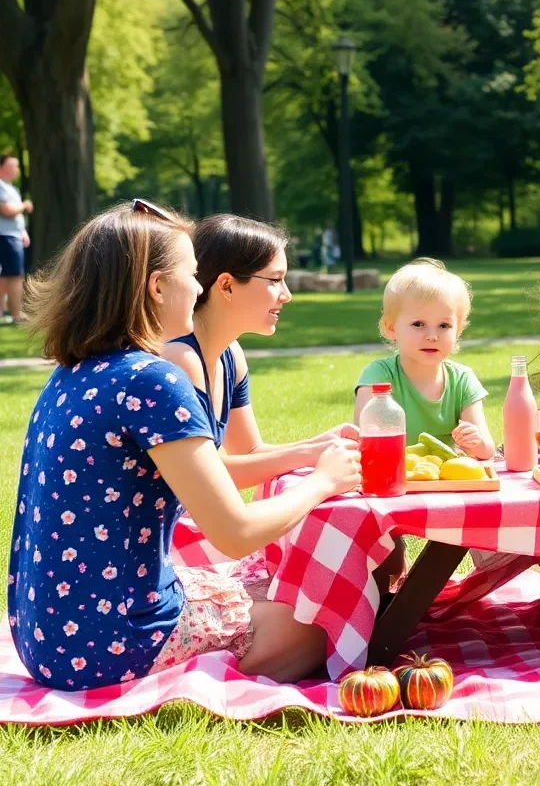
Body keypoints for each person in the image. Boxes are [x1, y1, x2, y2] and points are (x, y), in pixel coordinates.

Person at [7, 202, 361, 691]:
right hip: (108, 644)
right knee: (327, 622)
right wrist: (323, 481)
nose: (198, 289)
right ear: (157, 287)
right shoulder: (154, 379)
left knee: (276, 587)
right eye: (193, 275)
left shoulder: (72, 373)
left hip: (44, 638)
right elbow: (234, 532)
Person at [161, 213, 403, 594]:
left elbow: (250, 451)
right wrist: (312, 461)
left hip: (202, 530)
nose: (286, 293)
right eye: (275, 280)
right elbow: (222, 471)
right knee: (318, 605)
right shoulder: (180, 359)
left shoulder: (229, 355)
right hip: (170, 543)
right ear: (226, 285)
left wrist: (316, 446)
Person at [354, 258, 496, 460]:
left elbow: (487, 449)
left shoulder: (463, 380)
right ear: (391, 328)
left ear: (458, 330)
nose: (432, 336)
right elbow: (364, 441)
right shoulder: (378, 376)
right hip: (390, 475)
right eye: (419, 324)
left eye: (444, 326)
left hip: (443, 482)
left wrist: (475, 443)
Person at [0, 154, 32, 324]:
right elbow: (6, 210)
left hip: (13, 235)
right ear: (2, 167)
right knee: (14, 275)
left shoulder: (11, 188)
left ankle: (5, 313)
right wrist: (24, 206)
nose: (16, 170)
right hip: (5, 236)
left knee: (6, 276)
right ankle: (16, 314)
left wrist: (23, 232)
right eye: (13, 165)